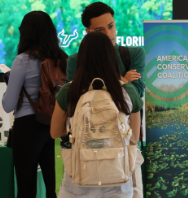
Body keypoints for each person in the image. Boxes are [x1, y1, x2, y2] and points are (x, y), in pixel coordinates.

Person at [51, 32, 142, 198]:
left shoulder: (69, 91)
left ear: (81, 59)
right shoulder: (127, 91)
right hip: (118, 176)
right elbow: (134, 137)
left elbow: (55, 132)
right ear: (112, 57)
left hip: (80, 176)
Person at [2, 11, 67, 198]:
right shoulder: (63, 59)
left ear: (26, 33)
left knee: (26, 188)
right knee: (56, 187)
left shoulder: (22, 60)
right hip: (57, 126)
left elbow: (8, 105)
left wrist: (9, 83)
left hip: (28, 126)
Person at [66, 2, 145, 97]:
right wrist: (123, 81)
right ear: (88, 32)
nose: (108, 34)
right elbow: (75, 98)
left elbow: (137, 94)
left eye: (111, 26)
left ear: (115, 22)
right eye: (99, 30)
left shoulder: (134, 54)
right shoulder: (75, 60)